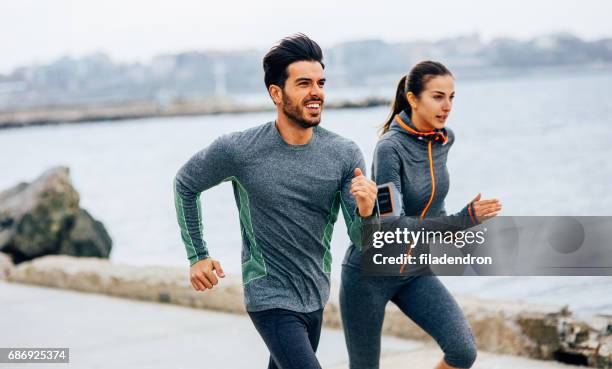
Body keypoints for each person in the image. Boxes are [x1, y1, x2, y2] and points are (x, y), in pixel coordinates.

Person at [173, 34, 378, 369]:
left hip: (314, 296)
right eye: (303, 84)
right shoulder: (239, 150)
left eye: (320, 83)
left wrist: (368, 213)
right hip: (268, 297)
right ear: (276, 93)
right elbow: (185, 183)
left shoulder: (344, 154)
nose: (316, 92)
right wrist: (197, 255)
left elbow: (361, 241)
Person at [340, 61, 502, 369]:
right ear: (413, 99)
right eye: (438, 97)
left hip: (415, 271)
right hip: (369, 274)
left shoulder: (444, 140)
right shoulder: (389, 148)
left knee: (462, 351)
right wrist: (465, 218)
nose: (447, 106)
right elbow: (392, 224)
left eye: (452, 97)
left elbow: (435, 209)